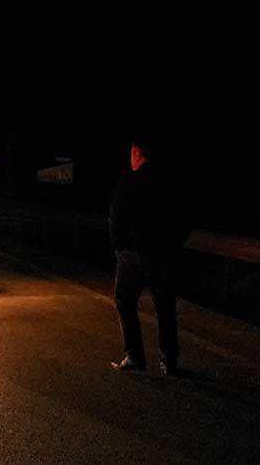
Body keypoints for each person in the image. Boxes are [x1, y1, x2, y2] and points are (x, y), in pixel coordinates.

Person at [109, 137, 187, 375]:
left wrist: (119, 247)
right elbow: (183, 217)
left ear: (137, 154)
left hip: (133, 254)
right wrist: (175, 245)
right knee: (165, 306)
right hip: (163, 253)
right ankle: (169, 360)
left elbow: (116, 215)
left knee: (125, 301)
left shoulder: (129, 180)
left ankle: (134, 355)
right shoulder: (169, 183)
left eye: (131, 154)